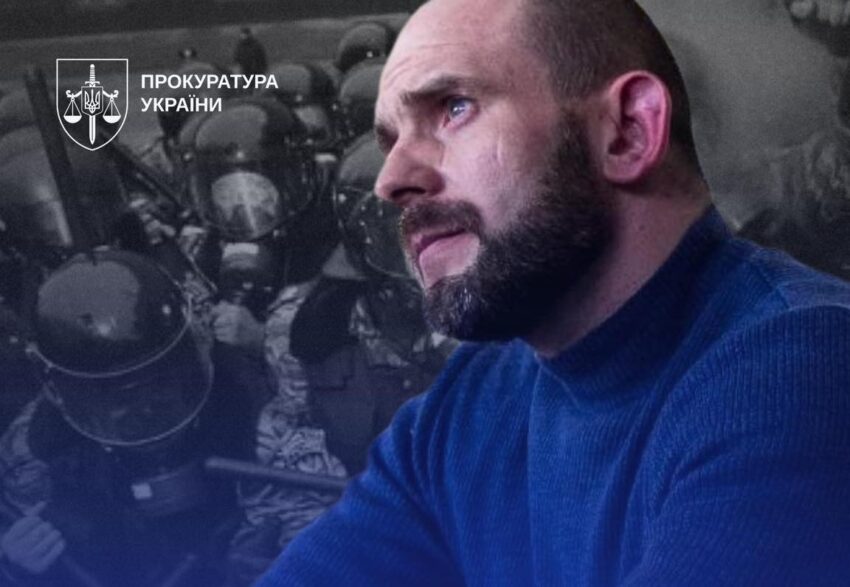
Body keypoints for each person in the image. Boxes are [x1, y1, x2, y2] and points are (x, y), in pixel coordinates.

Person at [256, 0, 850, 585]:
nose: (390, 181)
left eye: (454, 108)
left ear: (628, 131)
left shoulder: (801, 364)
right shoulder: (469, 402)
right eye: (391, 142)